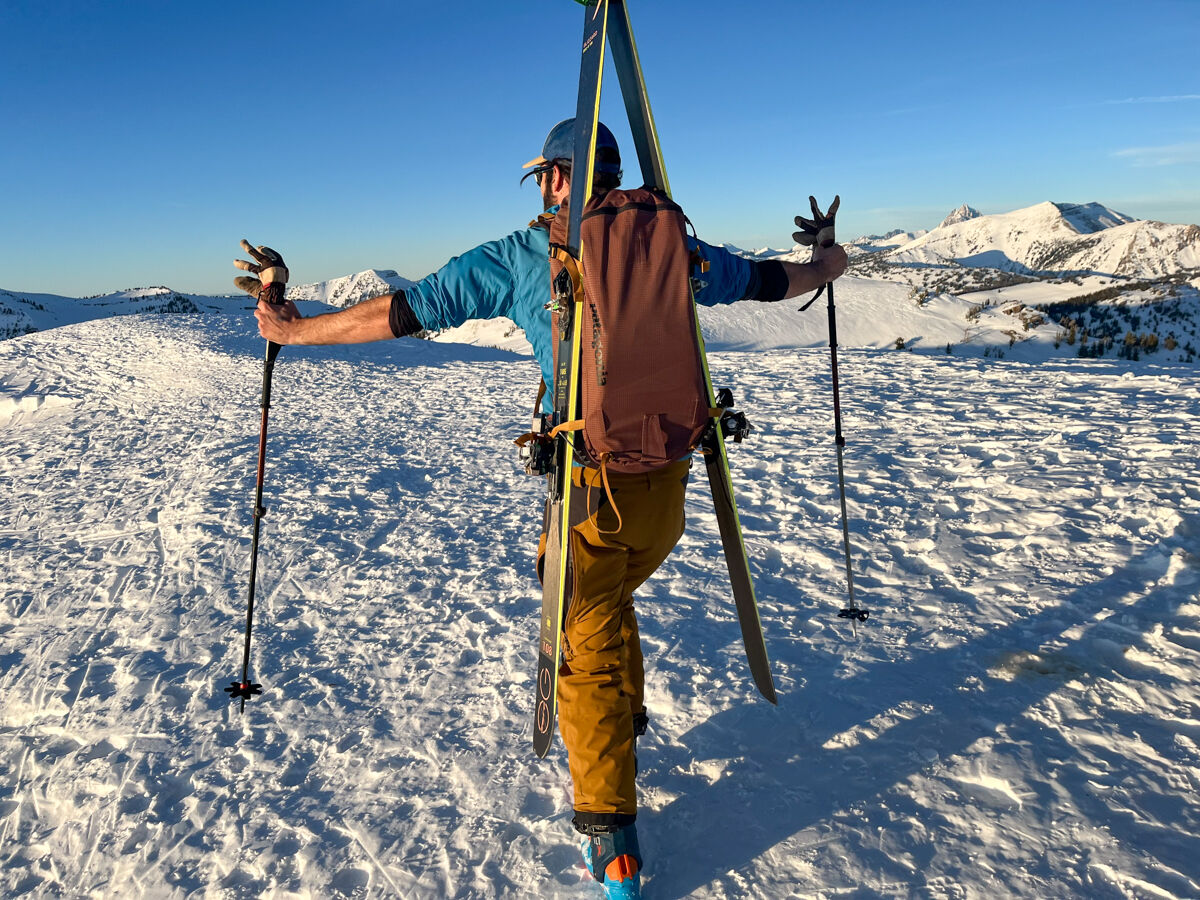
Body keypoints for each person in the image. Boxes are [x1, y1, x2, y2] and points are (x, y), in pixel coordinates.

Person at [239, 118, 847, 897]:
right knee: (612, 596)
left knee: (579, 644)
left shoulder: (526, 258)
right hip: (670, 489)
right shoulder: (675, 249)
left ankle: (611, 832)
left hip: (592, 498)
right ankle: (625, 722)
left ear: (560, 178)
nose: (543, 193)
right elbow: (779, 279)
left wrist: (293, 330)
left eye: (545, 179)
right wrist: (830, 255)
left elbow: (403, 311)